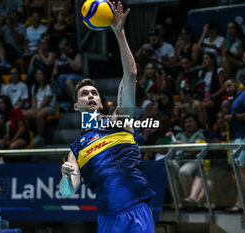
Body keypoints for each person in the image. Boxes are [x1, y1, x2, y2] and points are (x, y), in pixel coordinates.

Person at [59, 2, 155, 232]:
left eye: (94, 93)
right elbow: (68, 191)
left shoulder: (119, 120)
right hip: (107, 217)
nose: (91, 96)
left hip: (136, 208)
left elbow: (130, 75)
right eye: (84, 94)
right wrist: (65, 177)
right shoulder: (76, 148)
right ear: (75, 106)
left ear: (101, 101)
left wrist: (119, 32)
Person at [223, 78, 245, 212]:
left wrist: (234, 117)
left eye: (230, 86)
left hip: (243, 137)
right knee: (236, 170)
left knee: (240, 169)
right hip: (234, 137)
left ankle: (242, 203)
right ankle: (240, 201)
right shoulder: (233, 99)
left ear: (237, 84)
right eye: (226, 87)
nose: (228, 89)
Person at [23, 68, 57, 145]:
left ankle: (40, 136)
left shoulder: (49, 86)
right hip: (38, 107)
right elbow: (33, 100)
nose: (38, 76)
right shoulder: (34, 87)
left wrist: (37, 111)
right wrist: (34, 109)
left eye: (40, 74)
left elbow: (46, 100)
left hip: (49, 107)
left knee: (39, 115)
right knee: (25, 114)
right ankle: (27, 135)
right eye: (37, 74)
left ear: (44, 76)